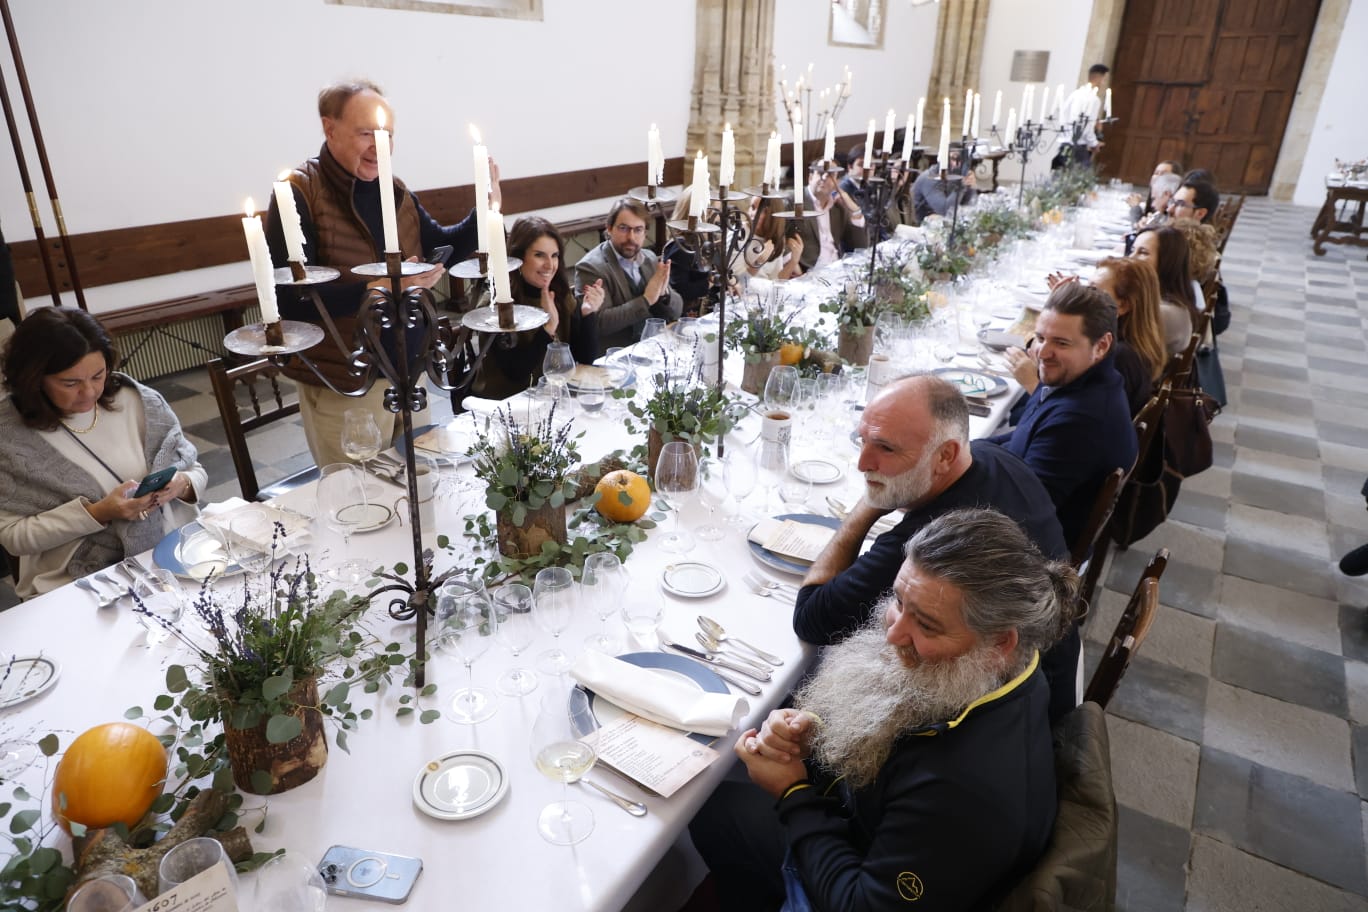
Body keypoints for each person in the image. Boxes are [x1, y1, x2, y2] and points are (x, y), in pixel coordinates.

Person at [691, 508, 1078, 912]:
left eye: (926, 625)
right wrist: (820, 732)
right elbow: (903, 723)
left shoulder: (965, 792)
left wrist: (793, 792)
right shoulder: (1009, 667)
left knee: (717, 812)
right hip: (874, 824)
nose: (893, 632)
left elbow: (861, 904)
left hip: (864, 878)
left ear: (1000, 644)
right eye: (898, 600)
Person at [793, 373, 1079, 723]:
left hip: (1009, 717)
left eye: (886, 448)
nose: (863, 463)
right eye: (862, 440)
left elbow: (811, 619)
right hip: (1054, 676)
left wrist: (868, 505)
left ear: (946, 456)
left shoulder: (935, 545)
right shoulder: (992, 457)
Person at [266, 80, 490, 469]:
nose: (379, 145)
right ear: (329, 128)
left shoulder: (395, 190)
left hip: (409, 369)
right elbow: (290, 303)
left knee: (420, 488)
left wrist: (482, 208)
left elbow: (443, 245)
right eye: (366, 133)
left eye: (387, 134)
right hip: (347, 382)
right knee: (359, 504)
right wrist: (377, 288)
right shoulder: (299, 194)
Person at [0, 308, 206, 599]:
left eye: (98, 375)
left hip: (174, 554)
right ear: (33, 378)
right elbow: (14, 537)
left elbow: (194, 469)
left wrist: (182, 485)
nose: (89, 392)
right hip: (78, 581)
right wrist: (98, 513)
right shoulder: (9, 437)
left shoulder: (138, 401)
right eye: (70, 383)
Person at [989, 282, 1138, 552]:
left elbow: (1020, 517)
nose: (1042, 353)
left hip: (1028, 555)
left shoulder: (1080, 421)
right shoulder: (1085, 383)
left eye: (1061, 343)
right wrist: (968, 451)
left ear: (1101, 346)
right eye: (1041, 338)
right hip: (1029, 510)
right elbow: (1026, 434)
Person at [470, 217, 604, 398]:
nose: (550, 265)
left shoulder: (559, 293)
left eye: (554, 255)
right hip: (508, 402)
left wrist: (587, 314)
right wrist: (547, 329)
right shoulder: (494, 305)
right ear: (518, 258)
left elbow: (584, 359)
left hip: (553, 395)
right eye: (539, 255)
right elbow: (516, 374)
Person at [572, 198, 683, 354]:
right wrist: (646, 300)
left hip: (652, 349)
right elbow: (598, 324)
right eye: (624, 228)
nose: (631, 237)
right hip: (614, 357)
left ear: (645, 233)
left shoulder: (650, 258)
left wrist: (664, 296)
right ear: (609, 229)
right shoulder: (591, 267)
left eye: (638, 230)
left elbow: (677, 311)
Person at [1091, 257, 1167, 413]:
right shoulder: (1136, 342)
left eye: (1094, 291)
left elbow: (1081, 417)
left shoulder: (1118, 356)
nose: (1084, 296)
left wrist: (1032, 381)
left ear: (1123, 306)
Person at [1132, 225, 1199, 356]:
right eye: (1133, 250)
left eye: (1143, 252)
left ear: (1167, 262)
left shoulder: (1164, 313)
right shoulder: (1157, 298)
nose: (1131, 258)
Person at [794, 166, 868, 272]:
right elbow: (779, 237)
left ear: (836, 183)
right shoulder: (794, 201)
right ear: (810, 177)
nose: (824, 177)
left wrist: (855, 211)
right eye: (820, 172)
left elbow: (859, 247)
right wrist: (792, 263)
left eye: (830, 174)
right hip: (809, 271)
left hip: (837, 269)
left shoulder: (838, 207)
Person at [1052, 63, 1108, 169]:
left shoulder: (1075, 94)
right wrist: (1094, 143)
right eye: (1104, 79)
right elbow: (1086, 126)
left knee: (1061, 177)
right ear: (1099, 78)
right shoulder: (1093, 100)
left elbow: (1065, 117)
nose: (1103, 83)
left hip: (1065, 143)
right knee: (1081, 181)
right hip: (1078, 148)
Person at [912, 148, 977, 222]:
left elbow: (970, 205)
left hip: (945, 223)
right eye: (953, 158)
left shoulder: (956, 174)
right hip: (922, 226)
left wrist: (971, 186)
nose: (957, 164)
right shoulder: (929, 177)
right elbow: (945, 211)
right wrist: (960, 187)